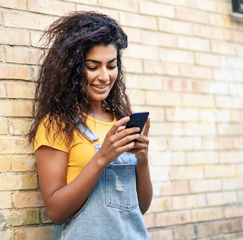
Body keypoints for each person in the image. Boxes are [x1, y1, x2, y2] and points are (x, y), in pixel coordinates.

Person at [28, 11, 152, 239]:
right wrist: (102, 157)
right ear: (72, 69)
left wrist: (142, 160)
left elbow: (140, 207)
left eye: (111, 65)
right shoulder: (56, 125)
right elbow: (56, 212)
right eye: (93, 66)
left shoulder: (120, 120)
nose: (104, 76)